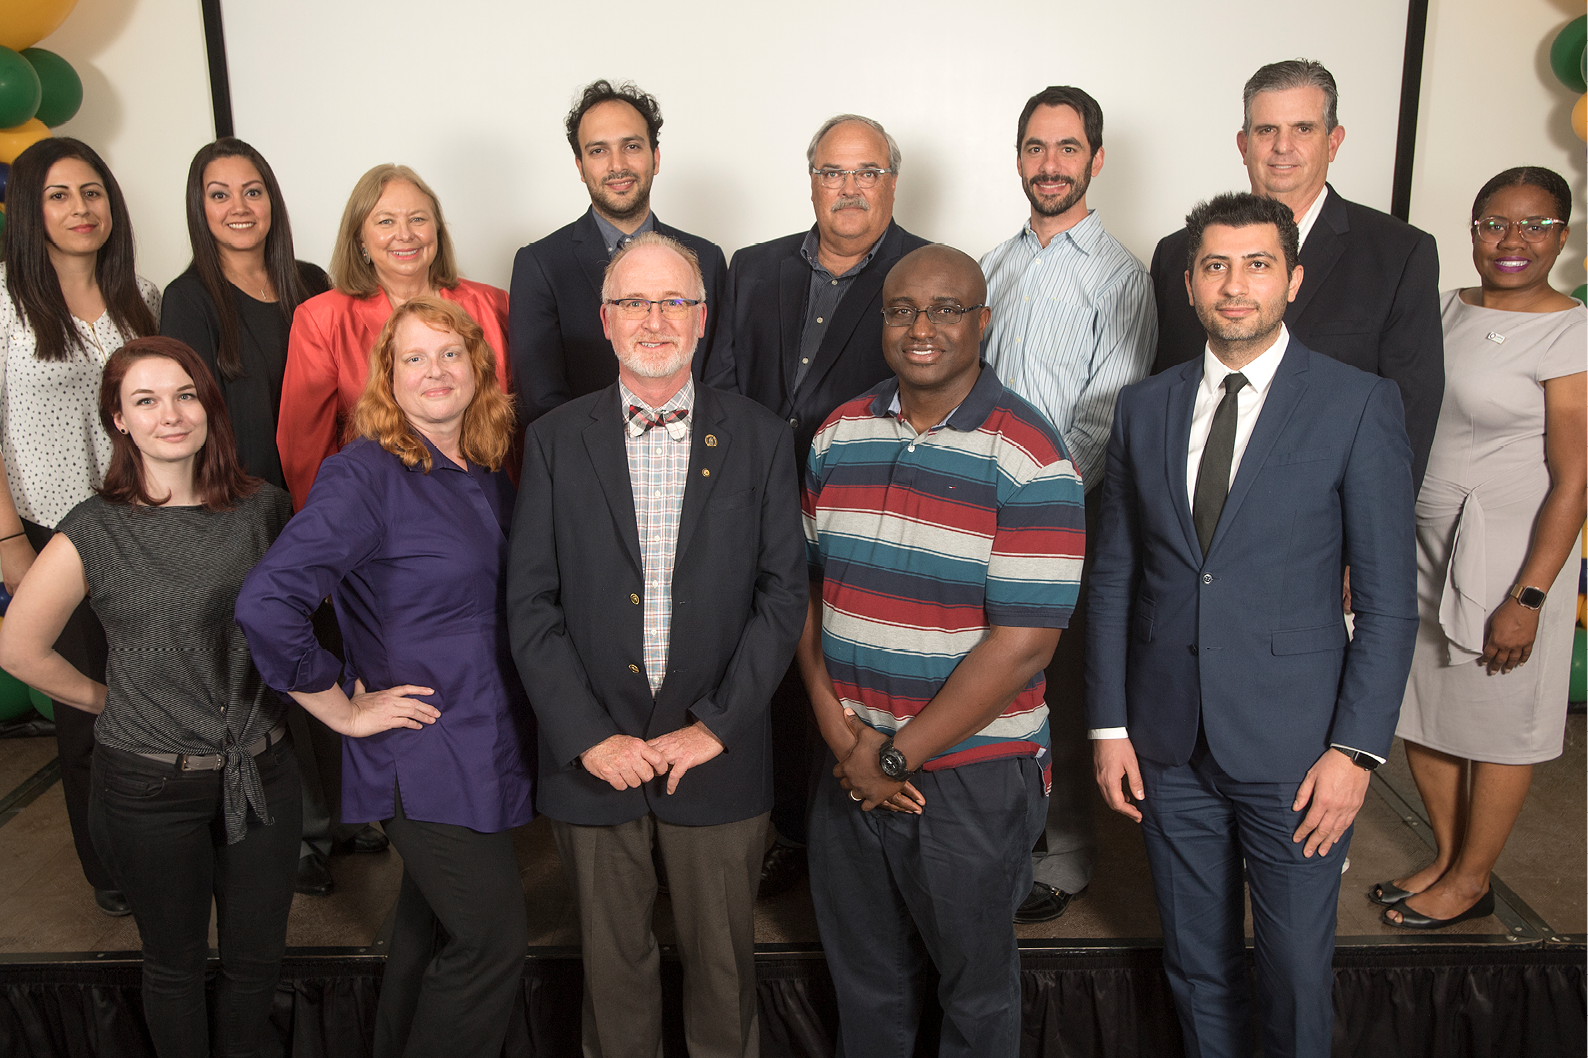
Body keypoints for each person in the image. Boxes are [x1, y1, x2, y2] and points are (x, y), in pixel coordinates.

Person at [1088, 193, 1418, 1058]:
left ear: (1294, 280)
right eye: (1216, 266)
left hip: (1301, 754)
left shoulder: (1358, 404)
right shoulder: (1144, 408)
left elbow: (1388, 602)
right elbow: (1118, 575)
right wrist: (1111, 725)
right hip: (1167, 742)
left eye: (1258, 264)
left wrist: (1357, 754)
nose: (1237, 286)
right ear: (1191, 285)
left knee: (1295, 973)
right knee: (1196, 968)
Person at [508, 232, 806, 1058]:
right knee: (614, 977)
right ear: (605, 321)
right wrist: (589, 737)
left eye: (674, 301)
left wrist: (715, 725)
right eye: (635, 302)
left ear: (703, 318)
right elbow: (530, 604)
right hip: (594, 759)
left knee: (723, 974)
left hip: (718, 754)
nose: (654, 319)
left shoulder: (761, 439)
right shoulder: (555, 440)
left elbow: (783, 599)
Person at [800, 244, 1084, 1057]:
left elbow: (1024, 646)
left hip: (972, 782)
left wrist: (896, 758)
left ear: (982, 322)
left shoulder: (1031, 456)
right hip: (849, 763)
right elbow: (803, 601)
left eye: (946, 309)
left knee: (975, 993)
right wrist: (843, 740)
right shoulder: (839, 433)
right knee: (869, 988)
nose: (921, 328)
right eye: (901, 310)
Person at [237, 297, 533, 1058]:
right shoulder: (364, 474)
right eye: (414, 357)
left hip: (488, 740)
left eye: (450, 354)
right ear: (387, 379)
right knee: (490, 943)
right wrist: (340, 709)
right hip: (426, 750)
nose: (435, 371)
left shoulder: (486, 468)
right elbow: (268, 602)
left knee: (427, 930)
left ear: (479, 368)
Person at [0, 336, 299, 1058]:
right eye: (146, 400)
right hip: (148, 788)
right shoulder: (93, 530)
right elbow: (17, 648)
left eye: (185, 394)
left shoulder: (266, 511)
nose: (170, 414)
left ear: (208, 408)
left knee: (257, 965)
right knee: (176, 966)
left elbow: (307, 630)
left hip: (261, 772)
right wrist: (106, 700)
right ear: (118, 421)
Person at [705, 113, 929, 893]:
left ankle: (822, 839)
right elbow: (724, 390)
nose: (850, 188)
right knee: (754, 665)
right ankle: (768, 833)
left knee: (838, 675)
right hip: (757, 509)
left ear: (892, 183)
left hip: (863, 516)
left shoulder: (924, 272)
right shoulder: (753, 267)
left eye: (867, 172)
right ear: (811, 181)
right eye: (834, 172)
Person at [1379, 167, 1586, 930]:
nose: (1512, 241)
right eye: (1494, 223)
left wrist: (1528, 597)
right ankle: (1444, 857)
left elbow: (1575, 481)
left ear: (1561, 236)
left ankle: (1472, 880)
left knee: (1498, 721)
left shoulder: (1571, 329)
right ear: (1472, 229)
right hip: (1424, 542)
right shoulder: (1439, 310)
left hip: (1509, 556)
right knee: (1424, 707)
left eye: (1535, 226)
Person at [158, 136, 362, 898]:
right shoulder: (189, 299)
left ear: (271, 200)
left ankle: (350, 812)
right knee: (279, 672)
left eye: (252, 191)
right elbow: (190, 415)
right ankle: (306, 831)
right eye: (219, 193)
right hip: (246, 508)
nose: (239, 207)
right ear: (198, 207)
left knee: (337, 653)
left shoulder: (311, 283)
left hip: (326, 504)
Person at [979, 84, 1156, 923]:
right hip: (977, 513)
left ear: (1095, 157)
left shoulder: (1119, 276)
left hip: (1056, 517)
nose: (1051, 165)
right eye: (1036, 148)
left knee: (1055, 685)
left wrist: (1027, 499)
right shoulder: (995, 263)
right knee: (995, 682)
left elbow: (1104, 416)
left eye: (1068, 148)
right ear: (1018, 156)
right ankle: (999, 844)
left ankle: (1066, 857)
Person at [1148, 59, 1444, 488]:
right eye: (1267, 130)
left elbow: (1410, 413)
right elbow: (1164, 397)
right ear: (1243, 143)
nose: (1282, 147)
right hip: (1189, 521)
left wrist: (1369, 535)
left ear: (1334, 141)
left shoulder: (1399, 254)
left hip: (1321, 529)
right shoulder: (1177, 253)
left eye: (1303, 128)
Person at [0, 136, 159, 918]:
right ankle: (111, 869)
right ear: (31, 210)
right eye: (59, 195)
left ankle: (165, 844)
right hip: (48, 534)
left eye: (92, 192)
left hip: (141, 531)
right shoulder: (1, 301)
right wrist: (8, 550)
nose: (80, 208)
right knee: (84, 711)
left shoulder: (144, 297)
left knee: (149, 691)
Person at [276, 163, 511, 510]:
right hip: (381, 514)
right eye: (386, 221)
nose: (405, 234)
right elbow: (305, 451)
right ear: (360, 239)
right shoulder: (321, 320)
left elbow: (515, 427)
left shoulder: (493, 304)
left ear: (437, 231)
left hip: (491, 504)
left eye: (418, 219)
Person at [510, 79, 727, 423]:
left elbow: (719, 383)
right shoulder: (540, 265)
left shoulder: (707, 258)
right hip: (585, 467)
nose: (617, 165)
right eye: (598, 150)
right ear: (580, 167)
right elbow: (540, 401)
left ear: (655, 158)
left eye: (631, 146)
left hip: (693, 461)